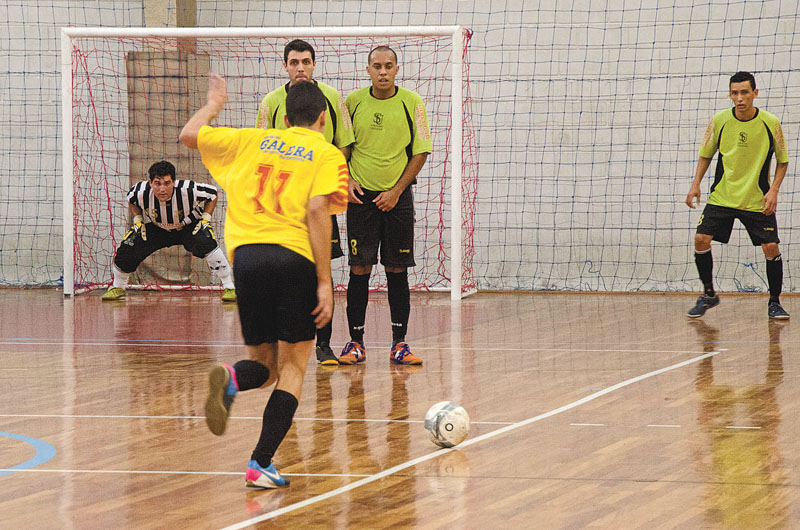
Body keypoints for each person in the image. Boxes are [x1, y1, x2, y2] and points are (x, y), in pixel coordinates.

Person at [180, 75, 348, 489]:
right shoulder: (326, 154)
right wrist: (324, 282)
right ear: (323, 118)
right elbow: (315, 212)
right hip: (293, 260)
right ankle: (259, 463)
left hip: (247, 259)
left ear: (284, 117)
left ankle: (234, 379)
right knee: (292, 368)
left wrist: (215, 103)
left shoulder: (252, 140)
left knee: (264, 366)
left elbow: (188, 135)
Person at [256, 39, 354, 365]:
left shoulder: (333, 99)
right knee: (282, 272)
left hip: (320, 202)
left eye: (306, 61)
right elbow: (261, 149)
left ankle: (323, 345)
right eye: (294, 62)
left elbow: (344, 145)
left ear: (314, 65)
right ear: (285, 66)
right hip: (284, 205)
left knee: (320, 273)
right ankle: (281, 342)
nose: (300, 67)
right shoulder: (271, 102)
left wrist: (328, 181)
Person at [339, 46, 432, 365]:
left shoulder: (412, 103)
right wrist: (346, 180)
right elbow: (343, 148)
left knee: (397, 268)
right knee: (359, 268)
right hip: (360, 198)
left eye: (388, 66)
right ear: (368, 69)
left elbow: (420, 151)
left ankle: (400, 344)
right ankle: (355, 342)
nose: (382, 71)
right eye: (377, 66)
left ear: (396, 69)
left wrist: (396, 191)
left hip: (398, 199)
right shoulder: (352, 102)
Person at [685, 71, 790, 320]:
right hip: (723, 196)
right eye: (735, 93)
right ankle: (709, 294)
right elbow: (706, 155)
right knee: (701, 239)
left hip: (756, 199)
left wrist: (773, 190)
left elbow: (783, 161)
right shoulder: (720, 120)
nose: (739, 98)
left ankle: (774, 302)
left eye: (744, 92)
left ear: (755, 93)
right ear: (730, 94)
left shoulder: (770, 122)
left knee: (771, 247)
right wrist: (695, 184)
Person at [101, 160, 236, 302]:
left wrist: (205, 220)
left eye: (167, 183)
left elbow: (212, 194)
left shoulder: (188, 189)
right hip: (159, 228)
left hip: (188, 227)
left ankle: (229, 287)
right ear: (150, 182)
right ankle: (118, 287)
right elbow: (131, 200)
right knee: (129, 247)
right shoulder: (140, 192)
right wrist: (138, 221)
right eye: (157, 183)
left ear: (174, 182)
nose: (162, 189)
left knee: (206, 241)